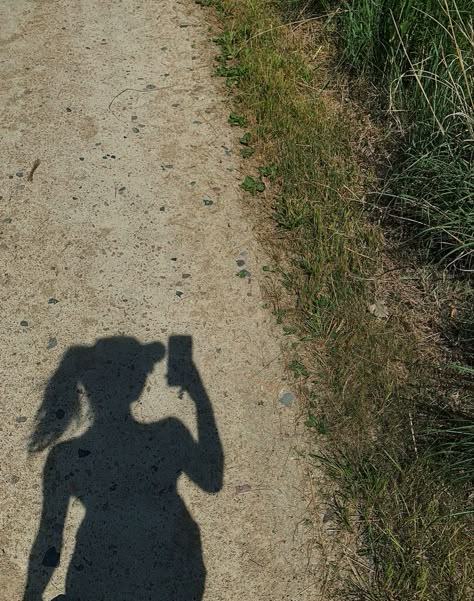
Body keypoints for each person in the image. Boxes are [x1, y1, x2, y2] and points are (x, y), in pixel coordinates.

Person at [23, 336, 223, 601]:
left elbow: (50, 537)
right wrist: (199, 396)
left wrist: (32, 595)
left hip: (98, 572)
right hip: (170, 569)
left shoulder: (65, 457)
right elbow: (211, 480)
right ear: (137, 384)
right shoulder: (169, 434)